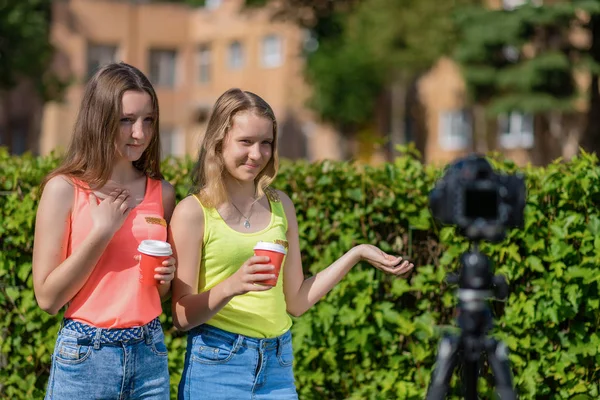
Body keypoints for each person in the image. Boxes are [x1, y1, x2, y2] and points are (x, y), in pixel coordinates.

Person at [169, 88, 414, 399]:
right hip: (218, 364)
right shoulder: (192, 212)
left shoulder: (281, 205)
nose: (256, 154)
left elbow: (296, 302)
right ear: (217, 142)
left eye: (266, 143)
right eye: (245, 142)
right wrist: (232, 285)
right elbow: (180, 316)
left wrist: (357, 254)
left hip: (277, 364)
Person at [32, 62, 176, 399]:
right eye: (126, 120)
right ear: (100, 119)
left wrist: (165, 281)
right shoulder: (64, 189)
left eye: (148, 120)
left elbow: (158, 294)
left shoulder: (163, 193)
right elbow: (48, 298)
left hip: (149, 354)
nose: (139, 133)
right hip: (85, 356)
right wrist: (101, 233)